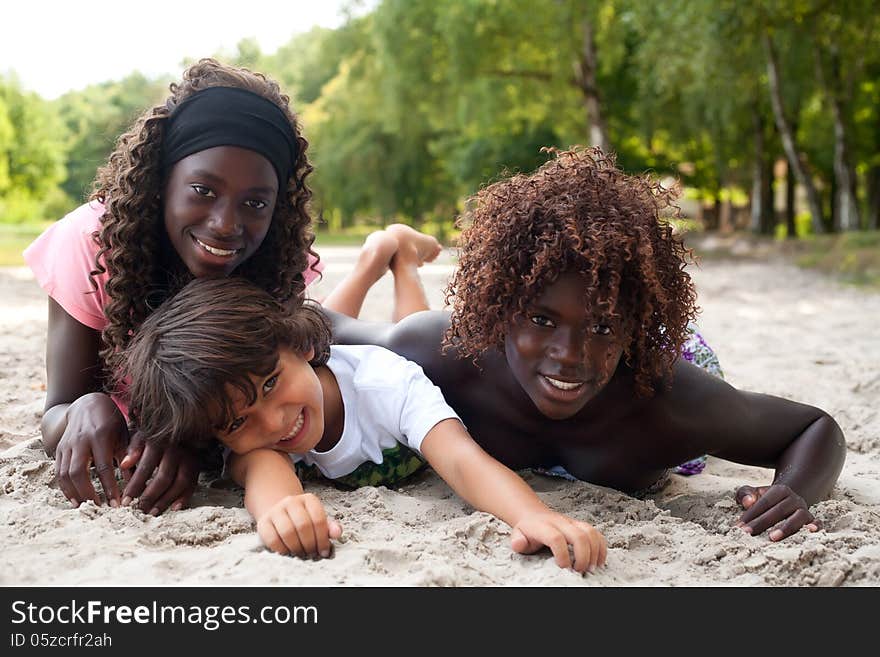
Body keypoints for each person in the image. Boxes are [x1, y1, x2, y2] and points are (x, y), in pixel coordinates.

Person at [328, 146, 847, 542]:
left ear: (629, 323)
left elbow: (813, 427)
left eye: (600, 326)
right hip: (470, 340)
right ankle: (390, 253)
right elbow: (320, 323)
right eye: (540, 318)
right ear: (501, 309)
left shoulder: (671, 401)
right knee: (407, 338)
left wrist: (796, 490)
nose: (570, 354)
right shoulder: (454, 353)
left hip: (671, 352)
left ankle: (399, 255)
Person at [23, 58, 439, 517]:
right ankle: (375, 257)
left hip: (299, 331)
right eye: (203, 190)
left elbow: (319, 352)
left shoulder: (270, 255)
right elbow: (56, 412)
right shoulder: (93, 248)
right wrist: (87, 404)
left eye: (255, 202)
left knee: (390, 346)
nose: (225, 225)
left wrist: (187, 440)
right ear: (163, 182)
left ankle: (394, 258)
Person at [117, 277, 607, 573]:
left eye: (270, 384)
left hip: (420, 353)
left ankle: (398, 260)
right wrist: (282, 511)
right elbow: (261, 469)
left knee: (415, 322)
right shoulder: (255, 437)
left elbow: (460, 459)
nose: (275, 422)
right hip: (330, 360)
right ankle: (379, 255)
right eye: (239, 420)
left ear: (301, 347)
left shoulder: (386, 384)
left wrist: (531, 515)